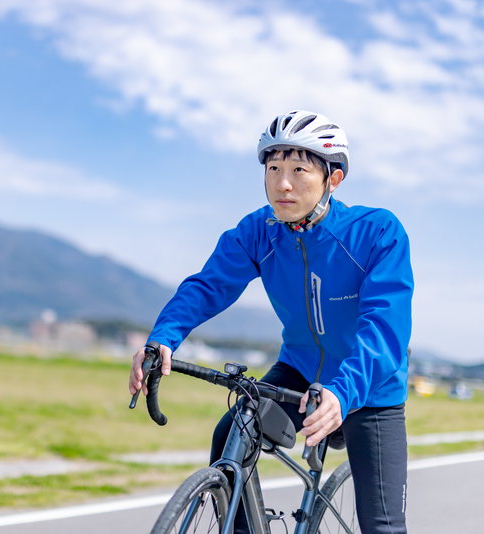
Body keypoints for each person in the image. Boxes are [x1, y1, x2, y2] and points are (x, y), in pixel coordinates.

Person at [128, 110, 413, 533]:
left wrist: (342, 391)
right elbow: (208, 286)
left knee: (384, 528)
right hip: (298, 371)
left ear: (333, 179)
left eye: (299, 170)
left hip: (369, 387)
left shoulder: (376, 232)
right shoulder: (258, 231)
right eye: (274, 168)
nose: (282, 184)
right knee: (233, 432)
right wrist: (162, 340)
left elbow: (383, 328)